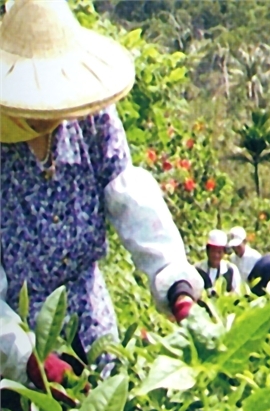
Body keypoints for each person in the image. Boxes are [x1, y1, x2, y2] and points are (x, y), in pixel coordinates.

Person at [0, 0, 202, 389]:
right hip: (16, 353)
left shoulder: (89, 116)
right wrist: (28, 358)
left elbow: (129, 199)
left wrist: (174, 279)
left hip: (93, 326)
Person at [195, 229, 241, 295]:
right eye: (213, 251)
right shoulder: (198, 269)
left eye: (219, 252)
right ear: (207, 251)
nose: (216, 255)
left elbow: (237, 293)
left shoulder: (231, 270)